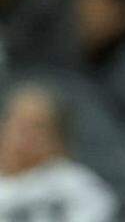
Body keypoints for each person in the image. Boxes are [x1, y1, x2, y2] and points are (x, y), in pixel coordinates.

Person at [0, 84, 118, 221]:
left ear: (58, 138)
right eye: (18, 123)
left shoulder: (78, 186)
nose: (24, 134)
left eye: (37, 127)